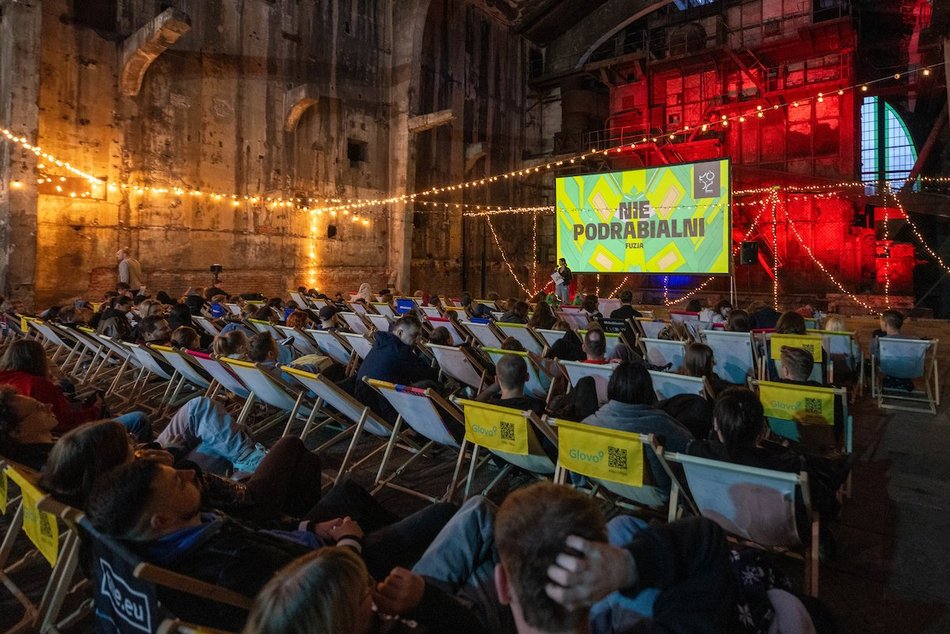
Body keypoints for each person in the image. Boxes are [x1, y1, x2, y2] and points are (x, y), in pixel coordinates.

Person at [85, 459, 457, 631]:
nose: (188, 473)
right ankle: (403, 566)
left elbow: (254, 524)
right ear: (159, 520)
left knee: (348, 491)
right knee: (442, 514)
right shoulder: (230, 562)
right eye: (178, 483)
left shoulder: (186, 528)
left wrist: (310, 523)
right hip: (335, 568)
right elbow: (317, 586)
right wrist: (349, 542)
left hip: (303, 540)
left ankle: (406, 550)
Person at [583, 361, 693, 497]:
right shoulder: (658, 423)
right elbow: (689, 446)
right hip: (655, 493)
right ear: (647, 392)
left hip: (606, 483)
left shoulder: (588, 424)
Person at [0, 339, 151, 438]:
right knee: (139, 419)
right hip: (70, 436)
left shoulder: (5, 378)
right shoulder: (37, 384)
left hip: (57, 431)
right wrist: (95, 409)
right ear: (39, 360)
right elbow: (64, 422)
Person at [353, 316, 439, 422]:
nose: (417, 341)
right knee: (430, 385)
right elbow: (427, 374)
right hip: (390, 413)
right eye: (414, 335)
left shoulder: (380, 344)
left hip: (364, 409)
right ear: (400, 332)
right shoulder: (401, 353)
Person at [476, 353, 544, 416]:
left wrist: (492, 388)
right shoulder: (536, 409)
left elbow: (474, 403)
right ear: (527, 377)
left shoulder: (486, 409)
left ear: (496, 380)